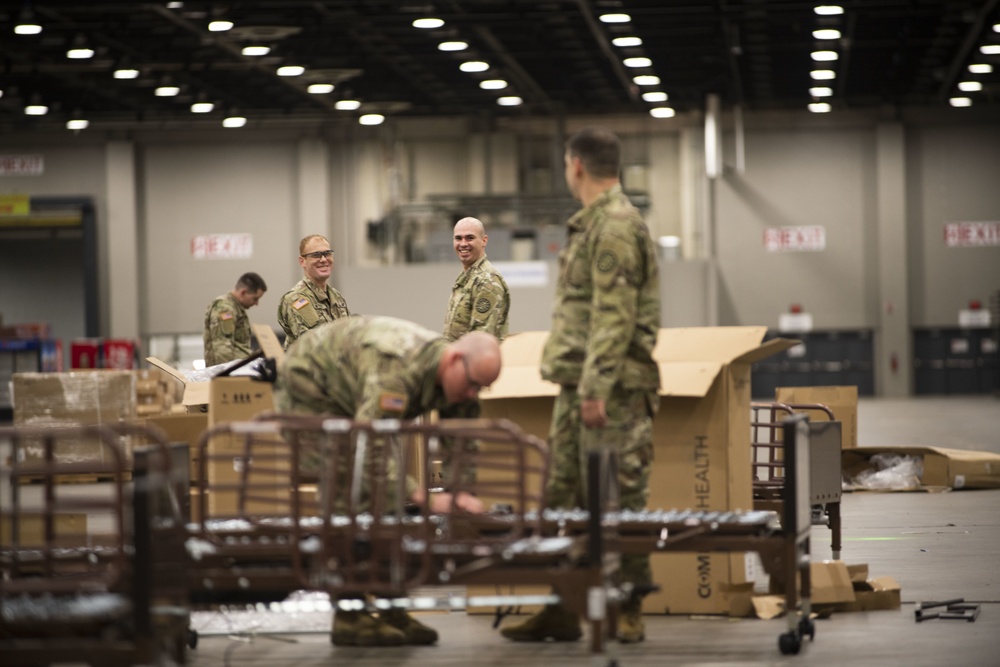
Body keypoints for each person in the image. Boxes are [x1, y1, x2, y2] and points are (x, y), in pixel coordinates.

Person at [500, 126, 661, 644]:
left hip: (608, 390)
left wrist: (596, 388)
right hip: (579, 387)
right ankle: (563, 606)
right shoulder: (593, 224)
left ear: (575, 166)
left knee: (619, 496)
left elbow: (616, 317)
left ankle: (629, 606)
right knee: (561, 495)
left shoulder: (613, 226)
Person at [274, 315, 501, 647]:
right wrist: (425, 497)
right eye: (472, 384)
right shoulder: (397, 371)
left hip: (353, 393)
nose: (472, 393)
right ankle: (350, 617)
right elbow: (372, 451)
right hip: (310, 388)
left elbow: (463, 438)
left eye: (481, 388)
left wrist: (461, 492)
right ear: (453, 359)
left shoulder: (460, 382)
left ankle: (392, 608)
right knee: (348, 491)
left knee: (386, 502)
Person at [443, 216, 510, 341]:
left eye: (470, 238)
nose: (463, 244)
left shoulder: (487, 282)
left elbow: (480, 340)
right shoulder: (467, 277)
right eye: (458, 238)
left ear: (484, 241)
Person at [277, 234, 350, 348]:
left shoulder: (336, 296)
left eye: (327, 253)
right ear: (302, 261)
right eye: (316, 255)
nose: (323, 259)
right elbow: (314, 345)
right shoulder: (296, 299)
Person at [202, 272, 267, 367]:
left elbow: (239, 346)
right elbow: (222, 348)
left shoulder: (236, 308)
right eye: (255, 298)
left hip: (239, 368)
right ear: (243, 292)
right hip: (230, 372)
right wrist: (228, 375)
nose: (256, 303)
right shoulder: (225, 308)